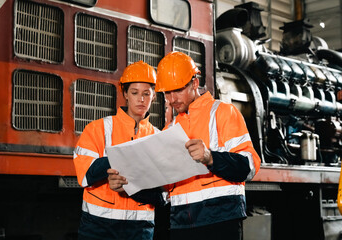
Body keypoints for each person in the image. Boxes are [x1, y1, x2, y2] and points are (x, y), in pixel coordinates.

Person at [155, 51, 261, 240]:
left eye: (177, 90)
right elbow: (166, 186)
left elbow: (249, 166)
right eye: (167, 93)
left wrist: (210, 157)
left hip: (220, 222)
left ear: (195, 83)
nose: (172, 99)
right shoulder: (169, 129)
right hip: (181, 224)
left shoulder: (223, 112)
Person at [73, 61, 165, 240]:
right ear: (125, 94)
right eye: (135, 93)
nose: (141, 99)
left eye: (147, 94)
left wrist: (131, 188)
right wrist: (117, 163)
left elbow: (164, 195)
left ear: (154, 96)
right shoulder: (98, 128)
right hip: (97, 226)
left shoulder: (159, 138)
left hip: (140, 229)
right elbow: (84, 174)